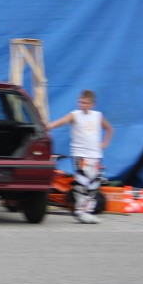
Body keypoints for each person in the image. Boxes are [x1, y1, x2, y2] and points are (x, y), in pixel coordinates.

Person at [47, 89, 114, 223]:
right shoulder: (75, 115)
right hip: (80, 155)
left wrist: (105, 143)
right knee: (82, 182)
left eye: (85, 103)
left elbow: (109, 129)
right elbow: (62, 121)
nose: (82, 105)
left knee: (94, 184)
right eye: (80, 102)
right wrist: (49, 126)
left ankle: (88, 211)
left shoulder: (97, 116)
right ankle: (79, 210)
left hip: (95, 155)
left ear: (92, 104)